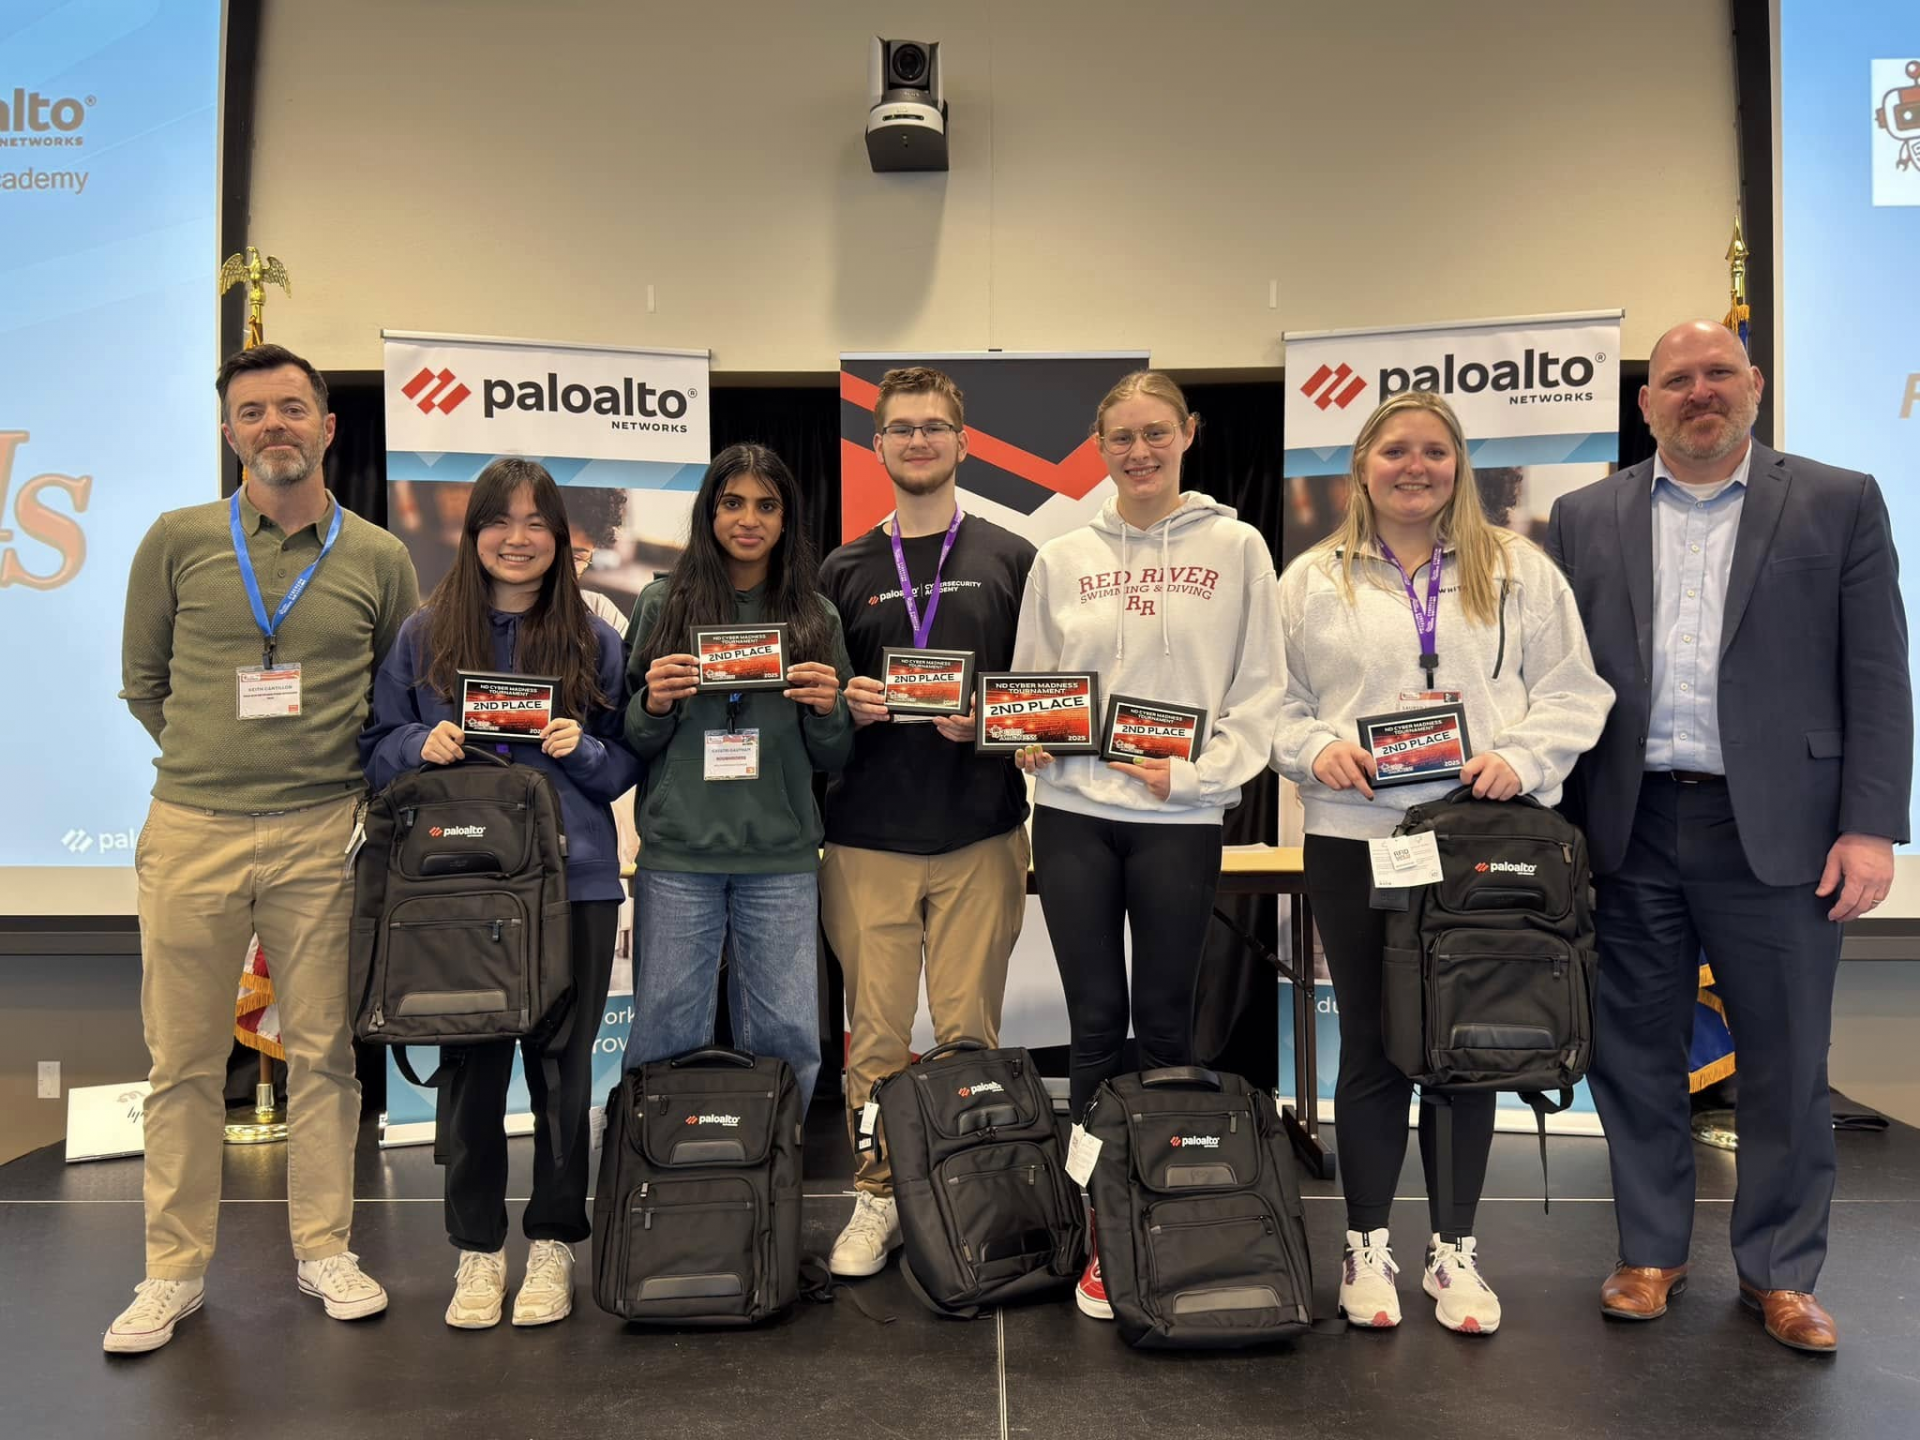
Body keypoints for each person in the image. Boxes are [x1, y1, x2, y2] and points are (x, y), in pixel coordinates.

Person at [1547, 319, 1912, 1353]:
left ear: (1753, 385)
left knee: (1788, 1063)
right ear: (1647, 403)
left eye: (1718, 374)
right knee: (1634, 1057)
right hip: (1630, 825)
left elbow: (1879, 674)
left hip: (1786, 834)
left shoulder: (1839, 500)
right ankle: (1651, 1253)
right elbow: (1554, 682)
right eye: (1677, 380)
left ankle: (1782, 1275)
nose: (1699, 392)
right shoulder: (1583, 516)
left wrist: (1872, 827)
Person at [1274, 391, 1612, 1336]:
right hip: (1356, 834)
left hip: (1481, 839)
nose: (1413, 467)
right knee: (1381, 1044)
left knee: (1464, 1043)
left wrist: (1526, 757)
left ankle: (1455, 1251)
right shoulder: (1309, 581)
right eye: (1394, 452)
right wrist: (1312, 751)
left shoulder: (1520, 573)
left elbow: (1575, 691)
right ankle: (1367, 1245)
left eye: (1433, 451)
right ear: (1361, 466)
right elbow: (1270, 703)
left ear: (1459, 465)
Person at [109, 344, 420, 1353]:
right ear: (229, 431)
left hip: (324, 830)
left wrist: (298, 787)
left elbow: (394, 697)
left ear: (329, 428)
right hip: (191, 827)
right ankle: (172, 1273)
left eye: (293, 408)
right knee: (183, 1062)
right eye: (253, 412)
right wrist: (218, 772)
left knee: (327, 1055)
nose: (273, 425)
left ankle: (325, 1249)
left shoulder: (377, 556)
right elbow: (144, 682)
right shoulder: (178, 540)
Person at [1011, 370, 1284, 1320]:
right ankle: (1097, 1223)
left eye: (1155, 433)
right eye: (1121, 437)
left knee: (1166, 1028)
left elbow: (1260, 689)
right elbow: (1034, 686)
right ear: (1100, 446)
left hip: (1180, 817)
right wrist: (1031, 742)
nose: (1139, 451)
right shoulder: (1064, 556)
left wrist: (1201, 776)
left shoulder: (1238, 547)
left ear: (1189, 434)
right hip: (1079, 816)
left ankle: (1160, 1216)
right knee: (1093, 1030)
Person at [361, 457, 640, 1330]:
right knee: (471, 1074)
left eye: (536, 523)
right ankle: (478, 1256)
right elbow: (371, 751)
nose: (517, 539)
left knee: (563, 1075)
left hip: (574, 886)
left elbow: (631, 756)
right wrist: (417, 744)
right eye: (499, 521)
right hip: (459, 890)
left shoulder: (594, 637)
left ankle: (553, 1247)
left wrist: (581, 750)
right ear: (471, 532)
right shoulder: (422, 636)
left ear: (561, 538)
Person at [816, 367, 1037, 1277]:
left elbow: (1046, 702)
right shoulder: (843, 569)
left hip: (980, 831)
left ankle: (963, 1190)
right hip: (867, 838)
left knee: (968, 1033)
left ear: (963, 441)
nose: (917, 442)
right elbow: (816, 712)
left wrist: (989, 715)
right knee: (873, 1036)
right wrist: (850, 708)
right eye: (900, 429)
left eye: (934, 428)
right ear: (877, 446)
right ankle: (874, 1195)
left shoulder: (1014, 557)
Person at [621, 443, 853, 1112]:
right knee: (665, 1027)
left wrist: (826, 708)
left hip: (780, 857)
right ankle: (658, 1179)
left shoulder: (817, 616)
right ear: (709, 511)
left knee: (787, 1034)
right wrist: (654, 702)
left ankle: (771, 1176)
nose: (748, 519)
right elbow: (633, 739)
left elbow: (834, 756)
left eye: (766, 505)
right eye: (732, 502)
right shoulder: (661, 604)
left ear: (786, 520)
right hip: (679, 856)